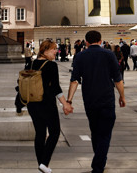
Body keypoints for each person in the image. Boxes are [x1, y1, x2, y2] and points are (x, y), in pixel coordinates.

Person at [67, 30, 125, 173]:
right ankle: (98, 166)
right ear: (100, 41)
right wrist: (122, 96)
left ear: (86, 42)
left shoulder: (80, 56)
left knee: (95, 131)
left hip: (90, 100)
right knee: (105, 134)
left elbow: (74, 80)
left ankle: (99, 160)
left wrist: (69, 100)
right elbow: (118, 79)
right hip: (107, 99)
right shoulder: (109, 54)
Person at [26, 39, 72, 173]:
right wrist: (65, 104)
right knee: (55, 132)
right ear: (45, 51)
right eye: (53, 49)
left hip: (32, 104)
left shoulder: (33, 63)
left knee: (40, 133)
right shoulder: (51, 65)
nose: (56, 51)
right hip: (47, 104)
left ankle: (41, 164)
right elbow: (56, 88)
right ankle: (44, 163)